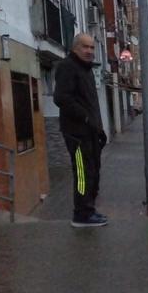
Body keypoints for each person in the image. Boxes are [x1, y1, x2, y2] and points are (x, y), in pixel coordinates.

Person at [54, 33, 108, 228]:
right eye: (85, 47)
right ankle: (81, 215)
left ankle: (89, 210)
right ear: (75, 47)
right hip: (77, 134)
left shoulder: (86, 70)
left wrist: (98, 128)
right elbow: (61, 98)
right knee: (83, 173)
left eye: (92, 48)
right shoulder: (68, 67)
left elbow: (90, 103)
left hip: (90, 132)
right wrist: (84, 117)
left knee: (93, 171)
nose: (90, 51)